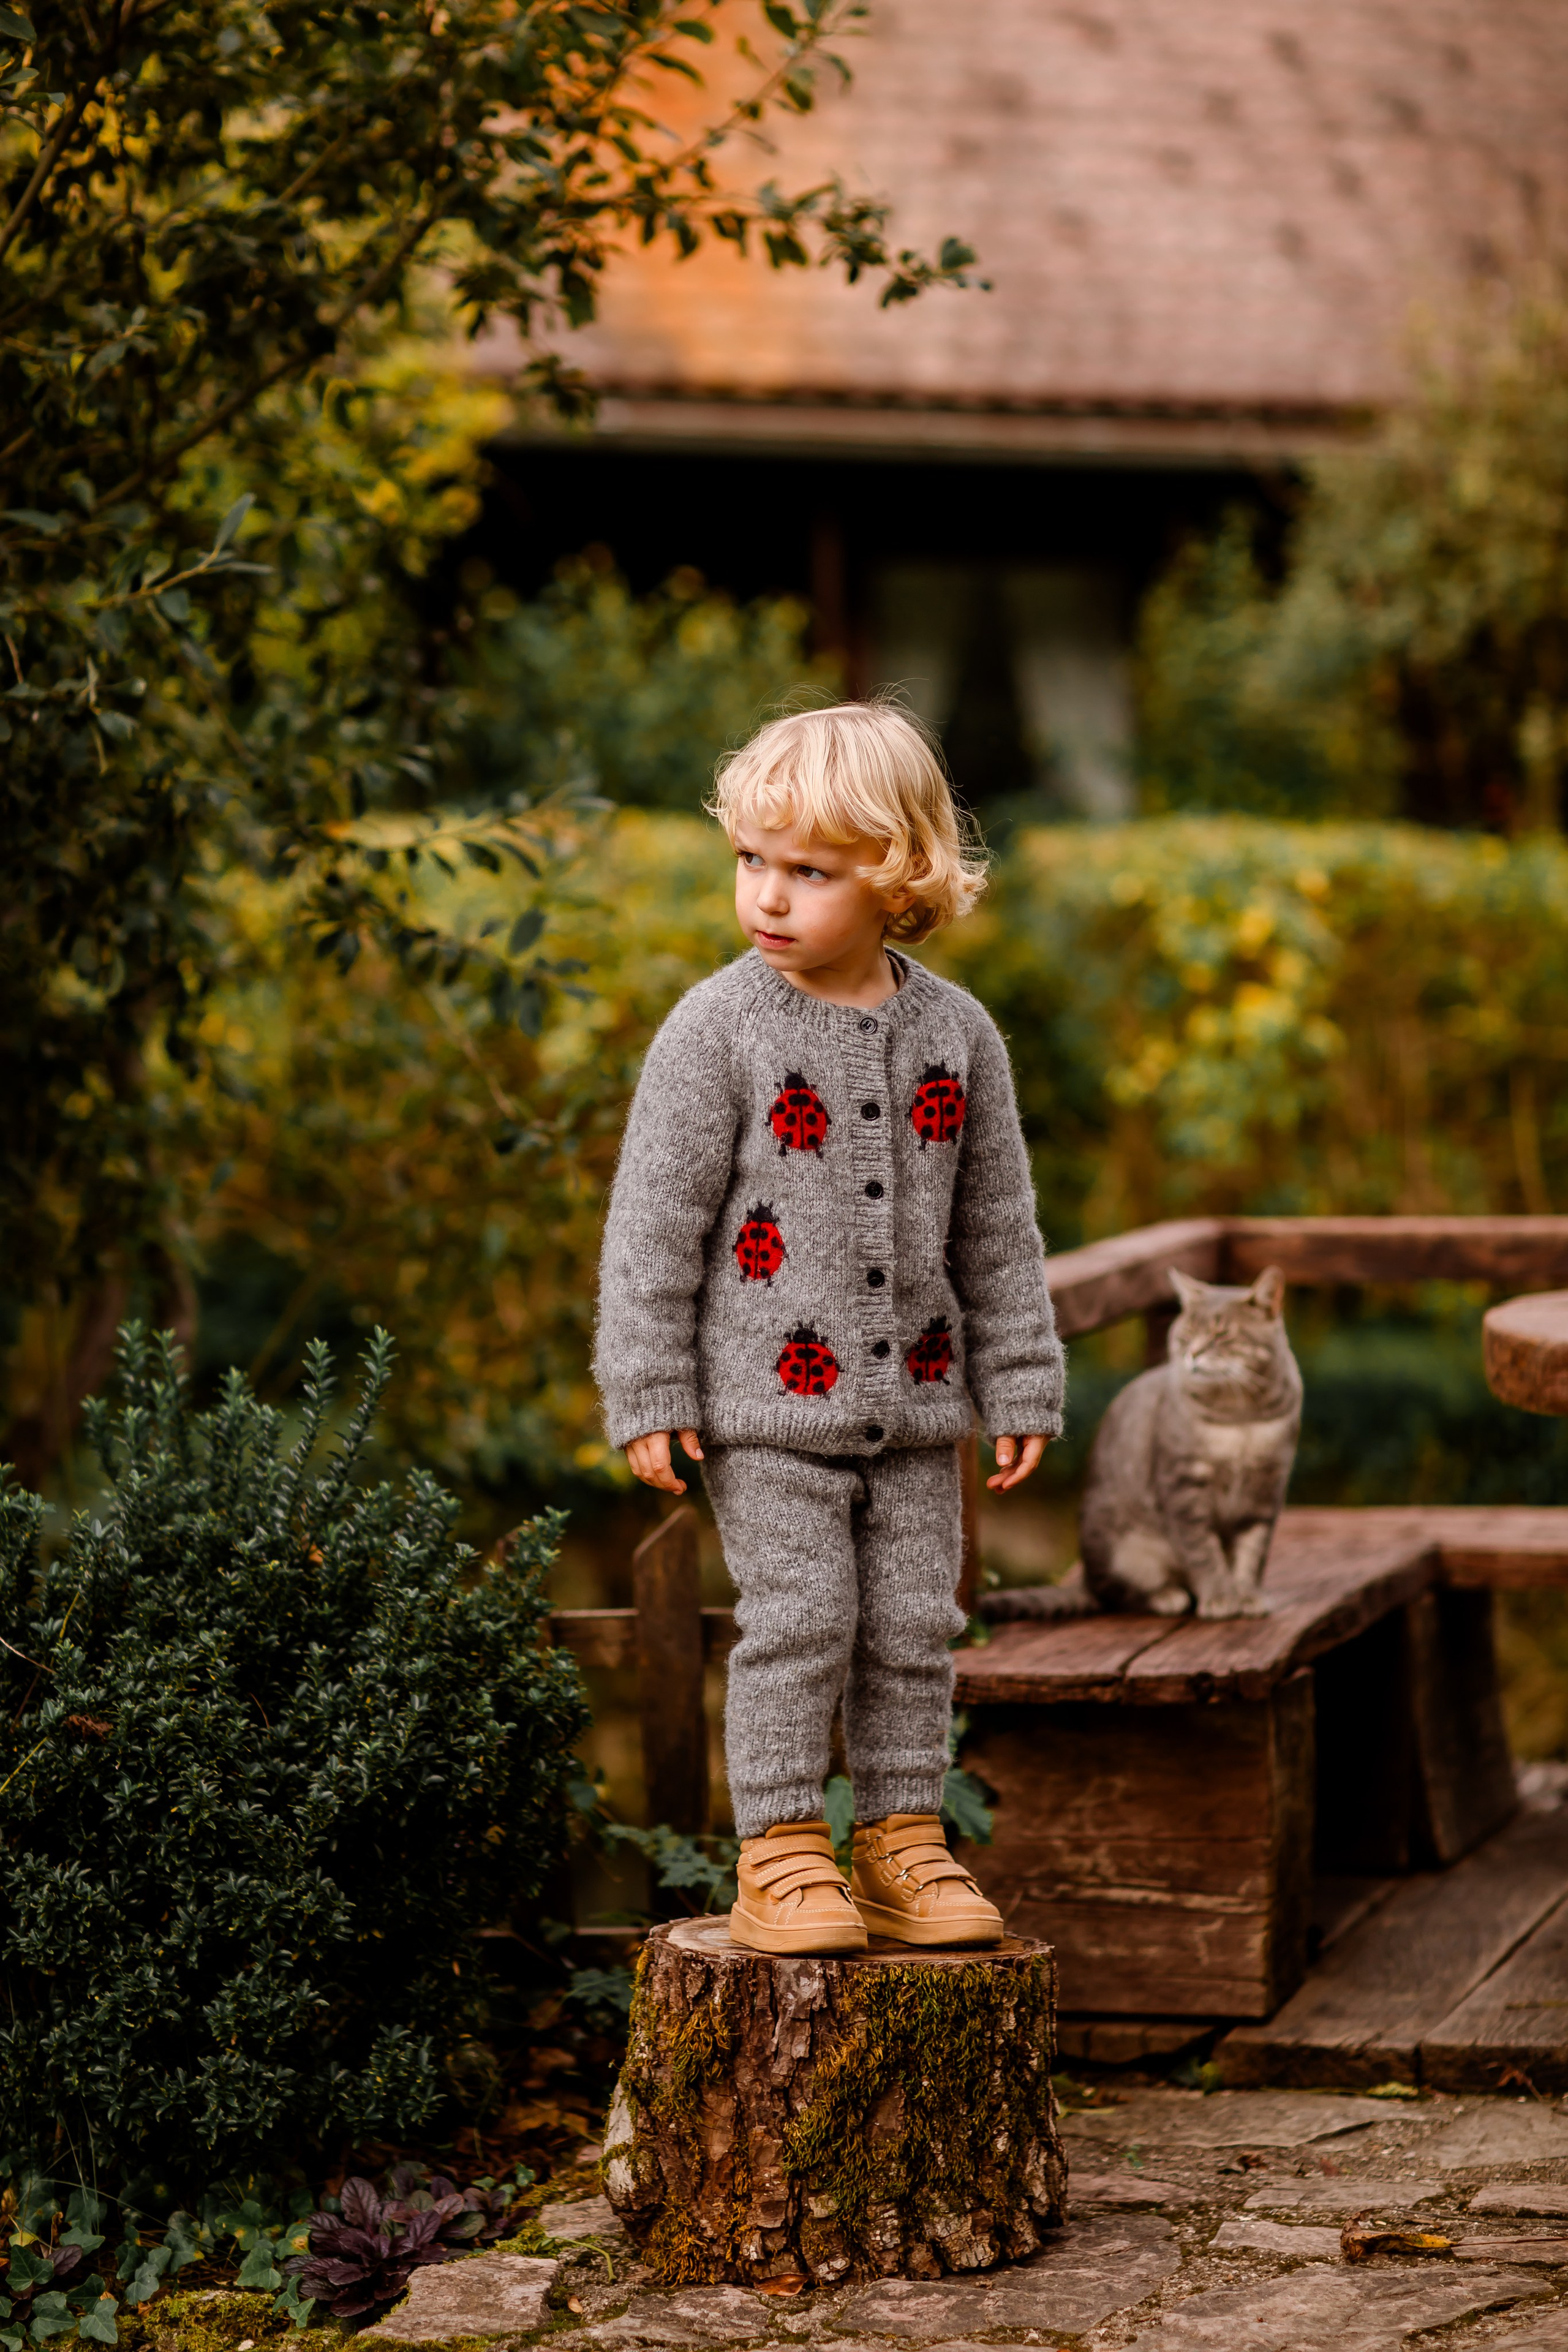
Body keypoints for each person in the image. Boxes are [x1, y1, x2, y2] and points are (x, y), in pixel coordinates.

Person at [594, 701, 1065, 1955]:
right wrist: (648, 1390)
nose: (767, 894)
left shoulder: (958, 1036)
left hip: (916, 1408)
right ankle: (781, 1851)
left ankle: (902, 1841)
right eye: (751, 859)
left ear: (897, 874)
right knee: (800, 1622)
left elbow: (996, 1228)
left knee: (912, 1627)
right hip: (765, 1410)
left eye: (809, 870)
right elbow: (653, 1227)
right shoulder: (717, 1030)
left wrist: (1020, 1379)